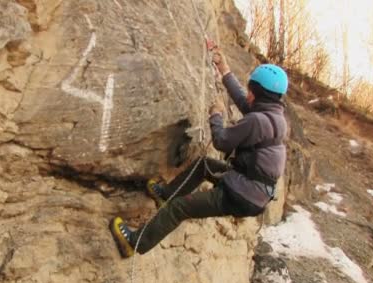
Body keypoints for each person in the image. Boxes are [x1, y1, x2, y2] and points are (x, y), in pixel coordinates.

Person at [109, 48, 289, 258]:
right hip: (253, 190)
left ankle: (134, 243)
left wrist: (216, 115)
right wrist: (225, 70)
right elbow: (243, 101)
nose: (248, 93)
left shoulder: (257, 121)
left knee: (178, 209)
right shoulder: (274, 118)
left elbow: (221, 141)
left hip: (241, 195)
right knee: (204, 164)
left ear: (258, 94)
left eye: (251, 90)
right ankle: (165, 194)